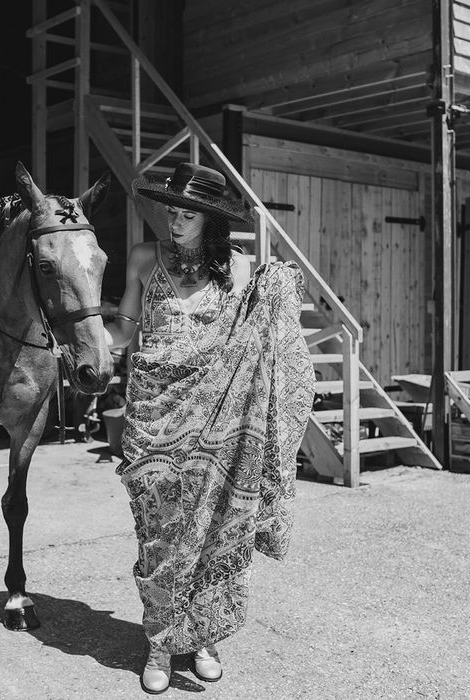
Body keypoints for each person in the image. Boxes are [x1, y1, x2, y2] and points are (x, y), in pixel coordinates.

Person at [103, 163, 314, 694]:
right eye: (172, 212)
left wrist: (276, 294)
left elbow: (250, 342)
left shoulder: (238, 271)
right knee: (158, 536)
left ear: (211, 221)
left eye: (187, 216)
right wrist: (83, 336)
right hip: (153, 421)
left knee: (215, 531)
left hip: (219, 426)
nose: (175, 223)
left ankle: (201, 637)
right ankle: (158, 640)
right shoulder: (145, 259)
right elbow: (125, 333)